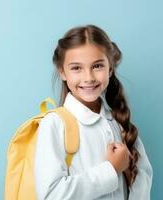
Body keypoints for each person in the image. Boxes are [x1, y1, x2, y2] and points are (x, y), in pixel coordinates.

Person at [34, 24, 153, 200]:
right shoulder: (54, 124)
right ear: (62, 72)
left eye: (97, 66)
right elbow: (51, 195)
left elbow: (143, 181)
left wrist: (130, 173)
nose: (88, 77)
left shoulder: (119, 122)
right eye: (76, 68)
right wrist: (111, 170)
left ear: (110, 69)